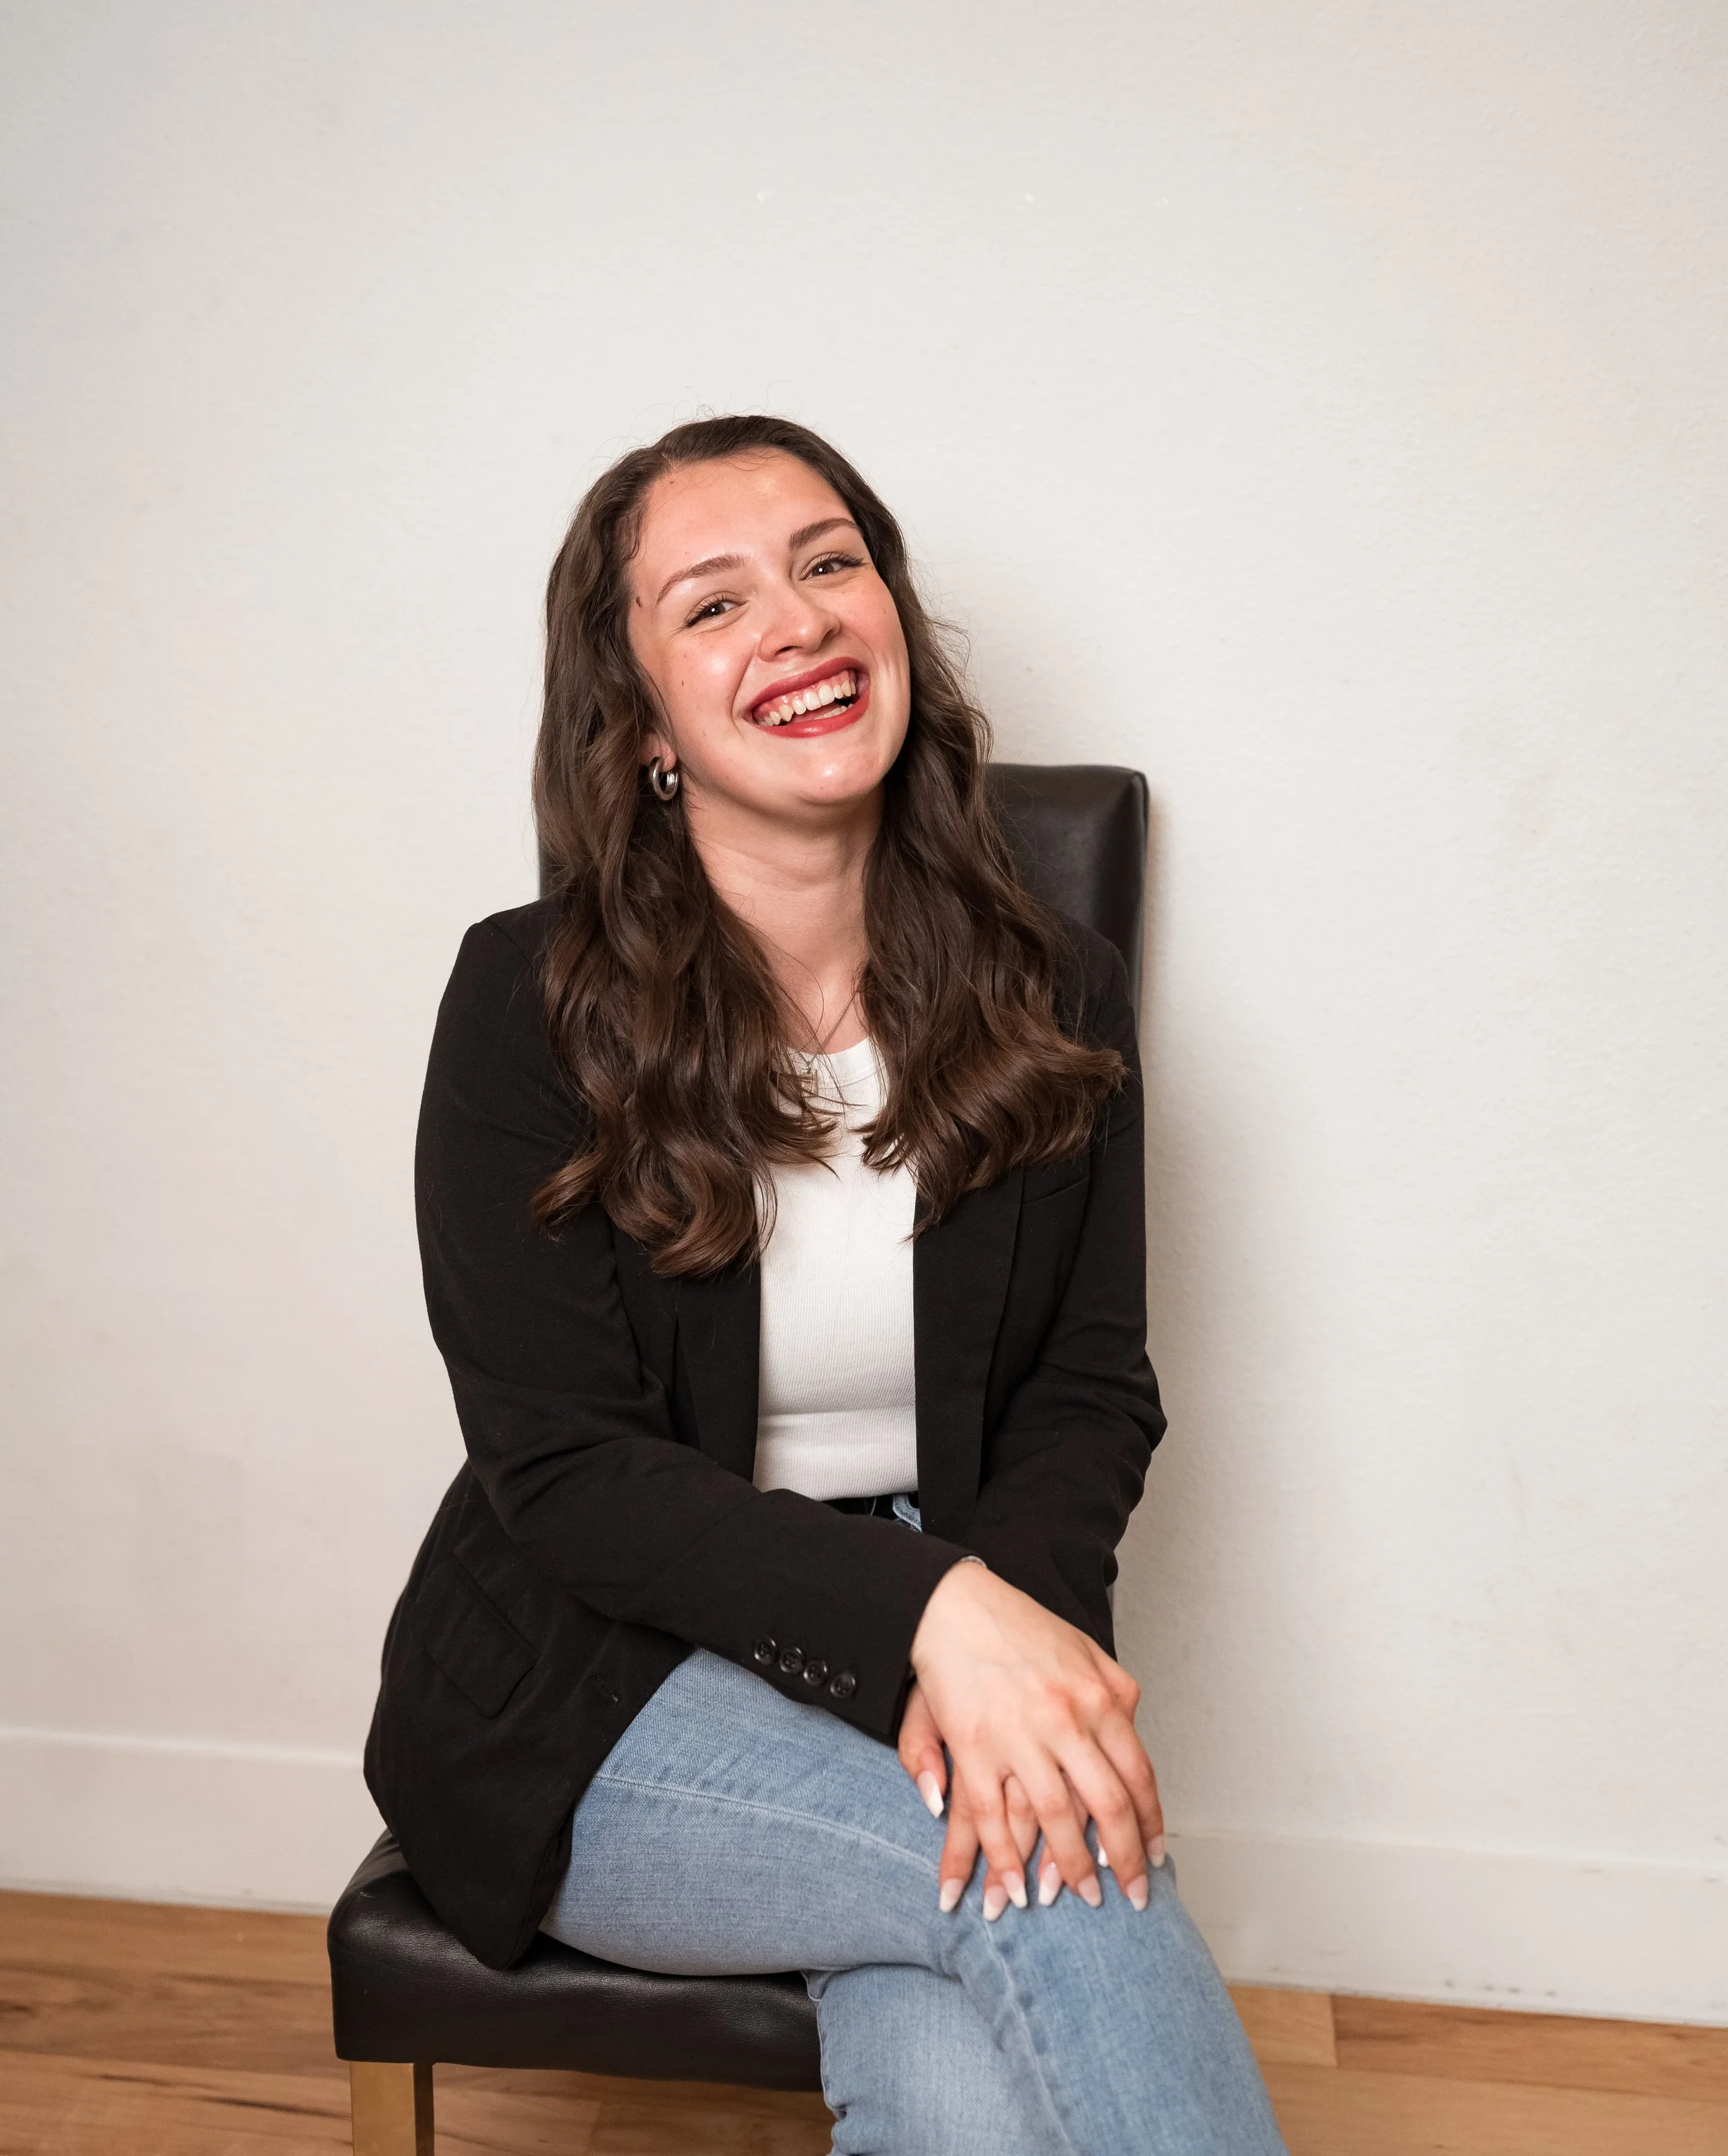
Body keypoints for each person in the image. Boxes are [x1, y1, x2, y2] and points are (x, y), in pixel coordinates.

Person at [366, 414, 1286, 2154]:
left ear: (891, 621)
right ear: (642, 724)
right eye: (711, 603)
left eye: (827, 563)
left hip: (957, 1608)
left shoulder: (1055, 987)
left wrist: (997, 1634)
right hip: (594, 1684)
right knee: (1065, 1867)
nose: (794, 619)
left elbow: (1088, 1386)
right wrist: (929, 1621)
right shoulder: (523, 1003)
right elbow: (566, 1468)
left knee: (968, 2061)